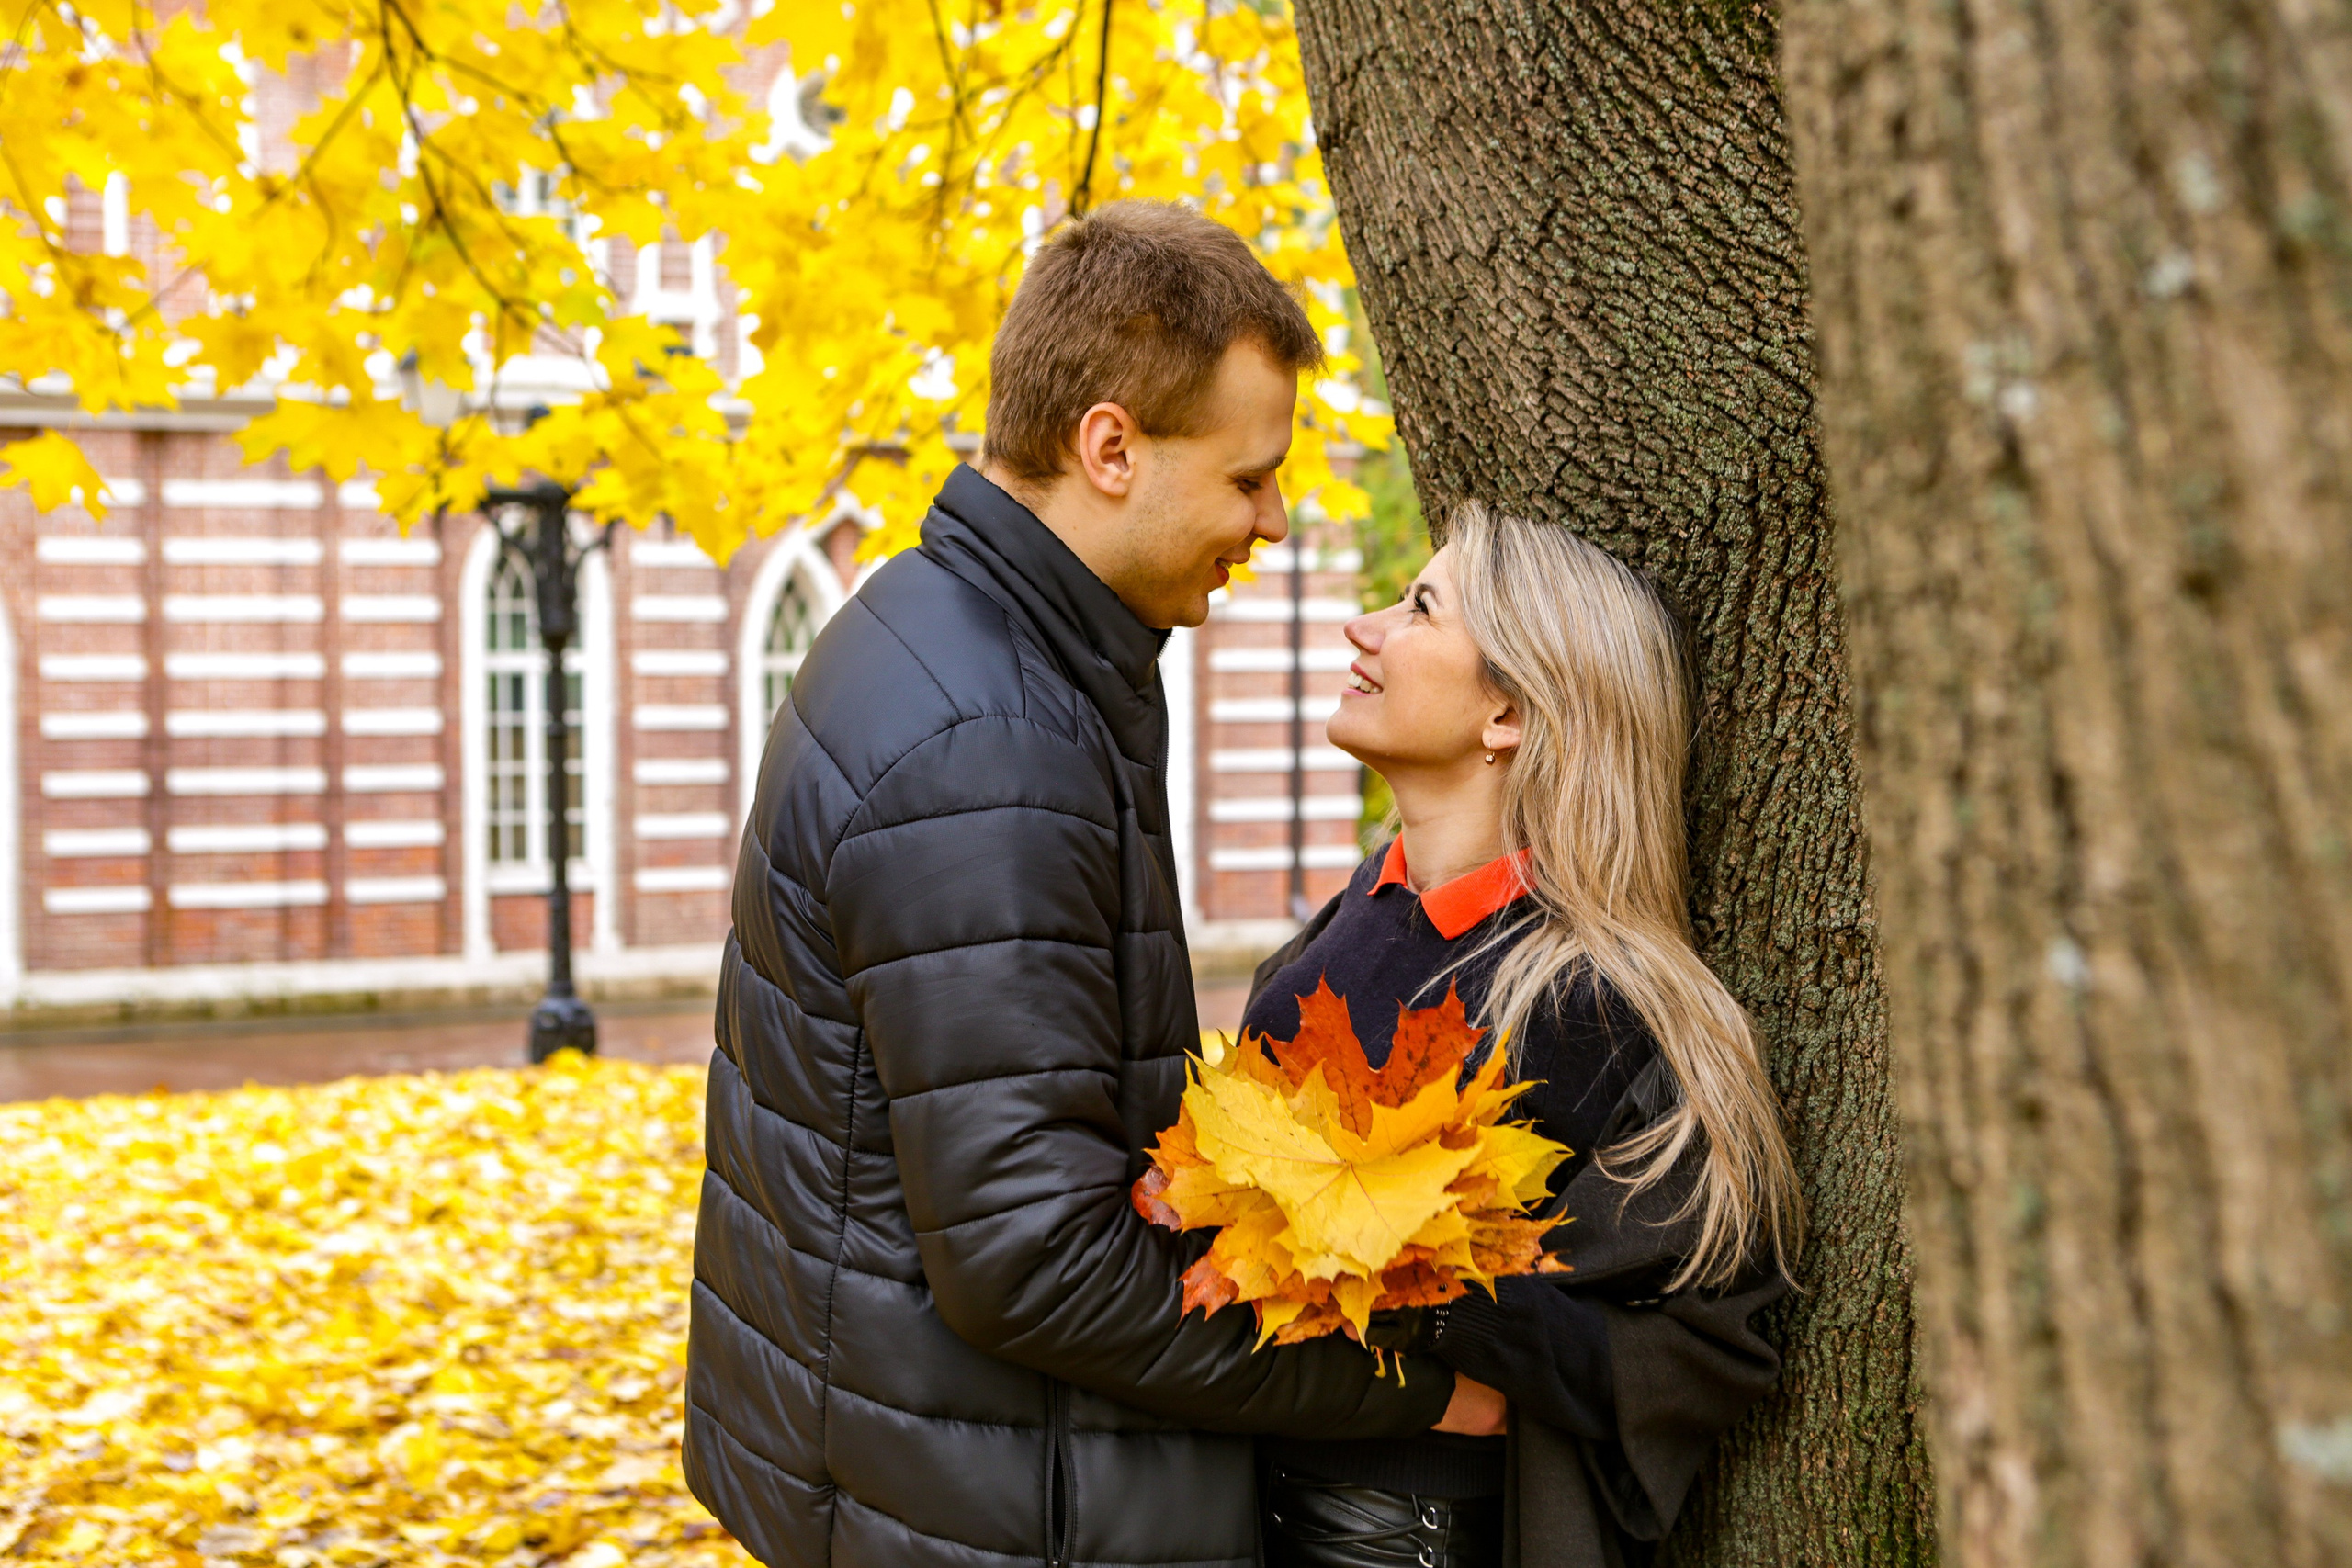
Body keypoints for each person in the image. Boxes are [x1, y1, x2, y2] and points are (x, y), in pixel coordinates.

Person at [683, 200, 1492, 1568]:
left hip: (915, 1463)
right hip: (990, 1507)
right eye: (1247, 479)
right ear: (1109, 447)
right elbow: (1035, 1263)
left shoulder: (955, 629)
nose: (1277, 522)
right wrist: (1404, 1390)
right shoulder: (990, 737)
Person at [1244, 503, 1804, 1568]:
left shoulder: (1602, 1003)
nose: (1364, 627)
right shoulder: (1360, 905)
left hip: (1425, 1534)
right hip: (1232, 1502)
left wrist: (1443, 1302)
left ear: (1504, 711)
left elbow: (1702, 1349)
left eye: (1417, 609)